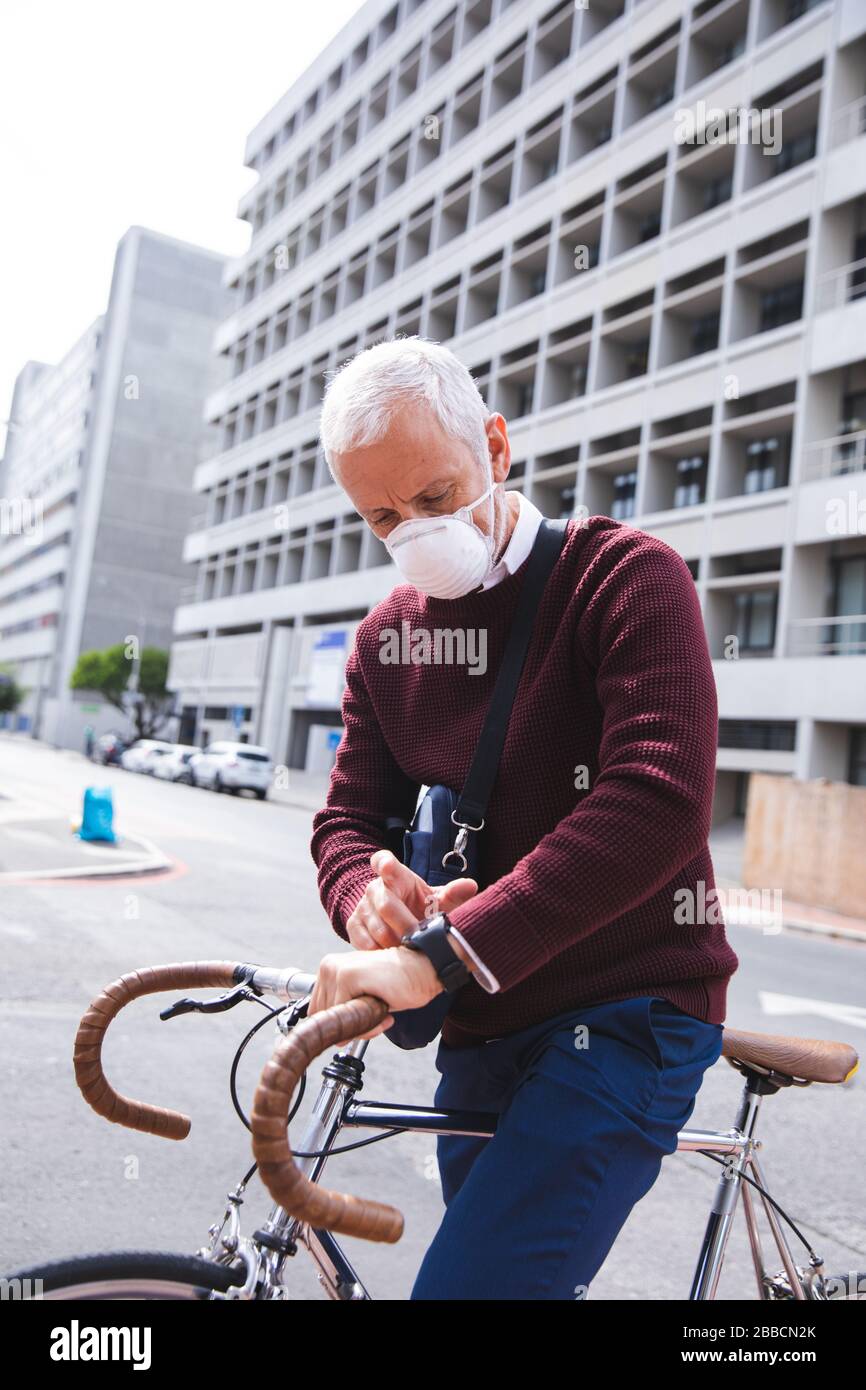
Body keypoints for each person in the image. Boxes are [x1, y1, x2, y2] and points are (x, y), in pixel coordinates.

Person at [308, 336, 739, 1300]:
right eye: (381, 516)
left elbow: (659, 799)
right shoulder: (385, 643)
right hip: (482, 1027)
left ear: (496, 448)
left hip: (633, 1012)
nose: (413, 531)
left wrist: (440, 953)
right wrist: (365, 902)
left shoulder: (626, 577)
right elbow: (345, 822)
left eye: (433, 496)